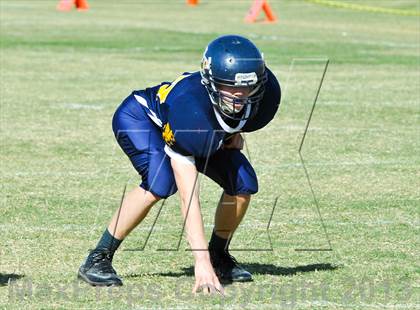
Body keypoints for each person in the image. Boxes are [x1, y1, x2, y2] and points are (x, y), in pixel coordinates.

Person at [78, 34, 281, 294]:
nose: (239, 96)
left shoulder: (266, 96)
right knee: (160, 183)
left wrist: (233, 134)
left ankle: (220, 256)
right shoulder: (190, 111)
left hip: (200, 129)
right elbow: (189, 197)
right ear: (210, 83)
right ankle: (98, 257)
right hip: (142, 118)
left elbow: (235, 117)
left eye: (246, 87)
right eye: (229, 87)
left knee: (243, 183)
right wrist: (200, 261)